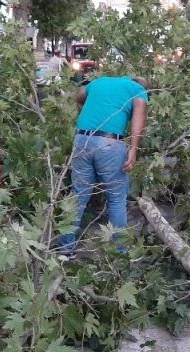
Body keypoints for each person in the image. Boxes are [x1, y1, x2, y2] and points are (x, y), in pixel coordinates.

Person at [58, 76, 149, 258]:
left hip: (82, 139)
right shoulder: (138, 90)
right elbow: (139, 120)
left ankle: (65, 249)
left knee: (78, 195)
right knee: (116, 198)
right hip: (109, 142)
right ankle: (119, 252)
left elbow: (79, 97)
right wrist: (133, 150)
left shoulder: (100, 81)